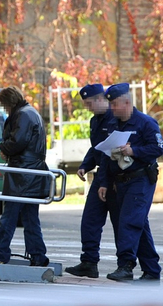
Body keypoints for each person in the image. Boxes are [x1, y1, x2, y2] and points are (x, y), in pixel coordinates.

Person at [97, 83, 163, 281]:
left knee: (129, 222)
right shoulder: (114, 125)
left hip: (141, 180)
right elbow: (104, 156)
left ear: (127, 102)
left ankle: (125, 266)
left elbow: (158, 149)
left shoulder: (146, 123)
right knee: (139, 225)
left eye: (115, 104)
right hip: (121, 181)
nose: (112, 108)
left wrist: (134, 151)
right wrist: (103, 182)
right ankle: (152, 270)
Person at [65, 84, 120, 278]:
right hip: (101, 176)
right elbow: (96, 148)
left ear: (100, 99)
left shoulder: (115, 118)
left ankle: (125, 266)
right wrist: (85, 165)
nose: (87, 108)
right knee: (90, 221)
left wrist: (104, 182)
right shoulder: (95, 121)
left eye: (89, 104)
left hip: (114, 179)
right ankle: (89, 262)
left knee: (121, 224)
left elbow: (108, 155)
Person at [0, 86, 50, 267]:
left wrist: (4, 148)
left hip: (21, 174)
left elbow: (18, 141)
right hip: (32, 173)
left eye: (4, 105)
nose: (4, 109)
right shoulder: (31, 112)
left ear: (9, 102)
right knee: (30, 219)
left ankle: (0, 254)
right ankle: (38, 256)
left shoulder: (23, 115)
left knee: (9, 217)